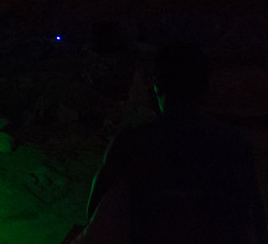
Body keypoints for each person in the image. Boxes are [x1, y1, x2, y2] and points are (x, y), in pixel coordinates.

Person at [80, 43, 267, 243]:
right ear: (205, 88)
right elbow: (254, 213)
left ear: (156, 85)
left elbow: (95, 211)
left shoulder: (131, 142)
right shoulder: (233, 142)